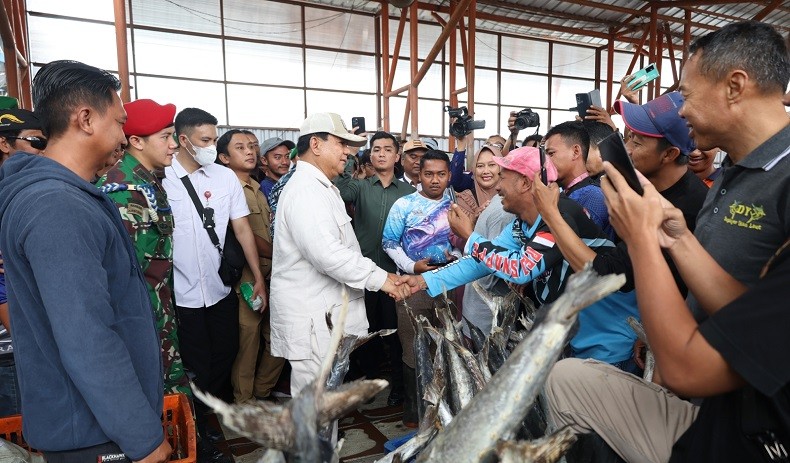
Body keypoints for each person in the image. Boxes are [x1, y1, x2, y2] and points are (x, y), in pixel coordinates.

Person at [545, 162, 790, 463]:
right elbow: (748, 315)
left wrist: (641, 239)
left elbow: (684, 371)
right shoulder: (732, 175)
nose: (685, 111)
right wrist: (679, 240)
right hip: (727, 417)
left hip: (745, 445)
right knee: (567, 378)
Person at [0, 60, 170, 462]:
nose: (125, 136)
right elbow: (88, 336)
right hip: (94, 431)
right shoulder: (57, 206)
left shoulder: (65, 195)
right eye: (119, 122)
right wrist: (141, 437)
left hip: (93, 422)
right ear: (86, 119)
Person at [269, 113, 410, 405]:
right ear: (317, 144)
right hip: (313, 321)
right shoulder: (307, 191)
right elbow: (327, 254)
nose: (349, 151)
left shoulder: (322, 187)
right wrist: (383, 279)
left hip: (323, 319)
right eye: (342, 143)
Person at [163, 108, 265, 462]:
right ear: (183, 140)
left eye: (212, 138)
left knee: (225, 352)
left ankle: (205, 411)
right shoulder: (163, 179)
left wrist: (258, 277)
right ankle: (197, 426)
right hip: (182, 293)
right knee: (193, 363)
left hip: (220, 287)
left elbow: (241, 229)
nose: (210, 146)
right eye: (205, 141)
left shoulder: (223, 178)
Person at [401, 147, 612, 310]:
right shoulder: (522, 223)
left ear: (524, 183)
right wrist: (423, 281)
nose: (498, 186)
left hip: (607, 329)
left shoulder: (560, 216)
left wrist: (468, 235)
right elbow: (481, 261)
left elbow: (520, 269)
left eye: (502, 177)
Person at [677, 21, 789, 320]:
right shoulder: (731, 168)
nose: (681, 110)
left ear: (735, 86)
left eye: (686, 96)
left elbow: (767, 329)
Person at [96, 98, 190, 397]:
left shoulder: (147, 183)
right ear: (135, 141)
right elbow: (127, 275)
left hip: (158, 313)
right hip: (142, 322)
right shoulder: (125, 193)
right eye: (165, 137)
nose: (174, 144)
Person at [333, 130, 415, 405]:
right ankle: (366, 385)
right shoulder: (360, 187)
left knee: (395, 333)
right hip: (363, 273)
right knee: (364, 331)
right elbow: (340, 187)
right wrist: (351, 150)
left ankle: (399, 388)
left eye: (386, 149)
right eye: (375, 149)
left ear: (397, 155)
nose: (381, 153)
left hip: (396, 274)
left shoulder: (409, 193)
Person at [382, 149, 461, 426]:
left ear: (449, 176)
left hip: (449, 286)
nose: (435, 180)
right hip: (411, 288)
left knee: (445, 345)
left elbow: (465, 243)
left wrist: (456, 259)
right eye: (429, 174)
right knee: (413, 348)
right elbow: (389, 243)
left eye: (441, 174)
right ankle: (414, 412)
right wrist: (412, 267)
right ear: (419, 175)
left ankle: (443, 408)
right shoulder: (403, 205)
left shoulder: (456, 206)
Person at [215, 130, 284, 404]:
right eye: (241, 147)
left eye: (253, 146)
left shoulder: (257, 187)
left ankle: (262, 390)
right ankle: (244, 400)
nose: (250, 151)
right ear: (224, 158)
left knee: (278, 336)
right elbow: (245, 235)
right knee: (249, 338)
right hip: (248, 274)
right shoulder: (228, 189)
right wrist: (283, 254)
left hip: (273, 271)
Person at [544, 121, 615, 240]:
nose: (546, 162)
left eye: (551, 154)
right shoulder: (566, 191)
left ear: (576, 151)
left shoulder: (592, 196)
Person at [454, 143, 503, 222]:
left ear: (501, 168)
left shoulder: (512, 198)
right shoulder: (463, 200)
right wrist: (473, 219)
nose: (486, 171)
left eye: (492, 165)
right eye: (480, 166)